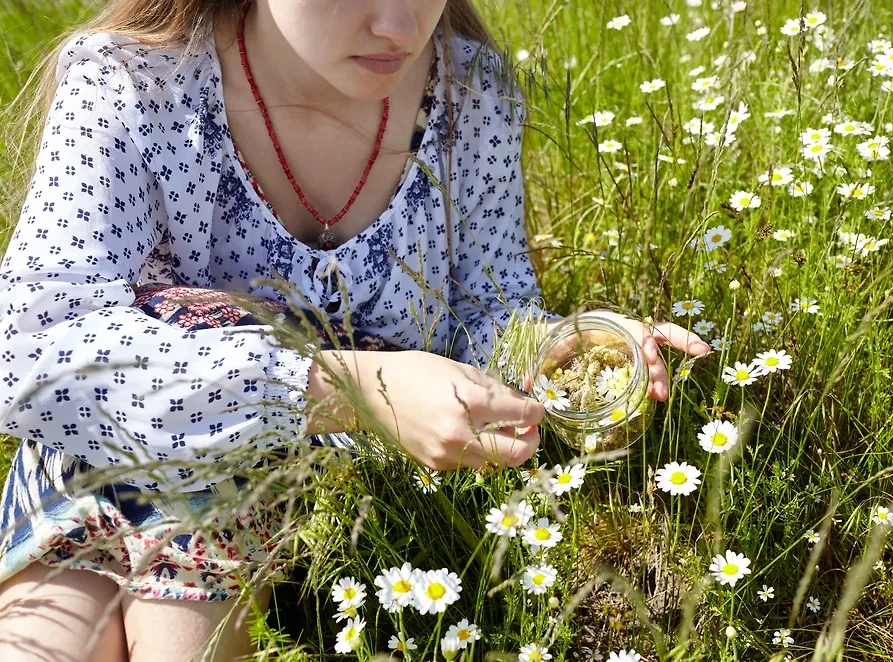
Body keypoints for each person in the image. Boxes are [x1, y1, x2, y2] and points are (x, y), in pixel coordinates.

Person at [0, 1, 711, 660]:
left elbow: (480, 312)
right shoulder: (134, 83)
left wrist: (556, 349)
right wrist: (354, 389)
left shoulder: (470, 92)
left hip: (327, 501)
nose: (400, 25)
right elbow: (26, 353)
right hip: (117, 453)